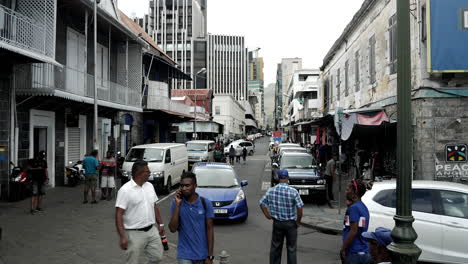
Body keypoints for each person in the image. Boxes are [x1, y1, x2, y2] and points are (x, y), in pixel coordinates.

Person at [115, 160, 165, 264]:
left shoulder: (149, 186)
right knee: (132, 261)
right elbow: (118, 214)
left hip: (152, 231)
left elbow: (154, 206)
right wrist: (122, 237)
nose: (150, 173)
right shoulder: (125, 190)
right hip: (134, 234)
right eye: (147, 171)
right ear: (139, 174)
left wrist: (160, 223)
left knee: (157, 257)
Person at [169, 172, 215, 264]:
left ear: (195, 186)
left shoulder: (205, 203)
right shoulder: (175, 203)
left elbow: (210, 230)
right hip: (184, 254)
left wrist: (210, 256)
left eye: (187, 185)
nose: (184, 188)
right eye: (182, 186)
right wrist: (178, 204)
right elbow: (172, 229)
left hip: (202, 255)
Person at [260, 169, 304, 264]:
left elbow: (262, 203)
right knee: (291, 248)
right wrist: (298, 222)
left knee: (276, 247)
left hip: (277, 223)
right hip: (291, 224)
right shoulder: (293, 191)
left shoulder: (271, 190)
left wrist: (268, 215)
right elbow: (300, 208)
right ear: (287, 178)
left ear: (278, 178)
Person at [340, 179, 371, 264]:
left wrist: (343, 248)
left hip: (354, 254)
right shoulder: (363, 207)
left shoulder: (354, 208)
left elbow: (353, 231)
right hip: (364, 252)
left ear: (355, 192)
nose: (345, 192)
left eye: (347, 190)